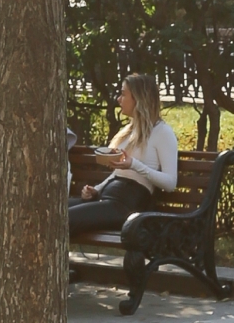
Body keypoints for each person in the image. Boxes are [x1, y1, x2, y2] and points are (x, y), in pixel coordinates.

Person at [70, 74, 178, 236]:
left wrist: (134, 164)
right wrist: (96, 190)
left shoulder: (162, 132)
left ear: (138, 99)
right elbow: (119, 173)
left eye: (123, 94)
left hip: (127, 205)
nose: (118, 99)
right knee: (51, 209)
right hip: (108, 197)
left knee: (64, 218)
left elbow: (170, 183)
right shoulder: (129, 131)